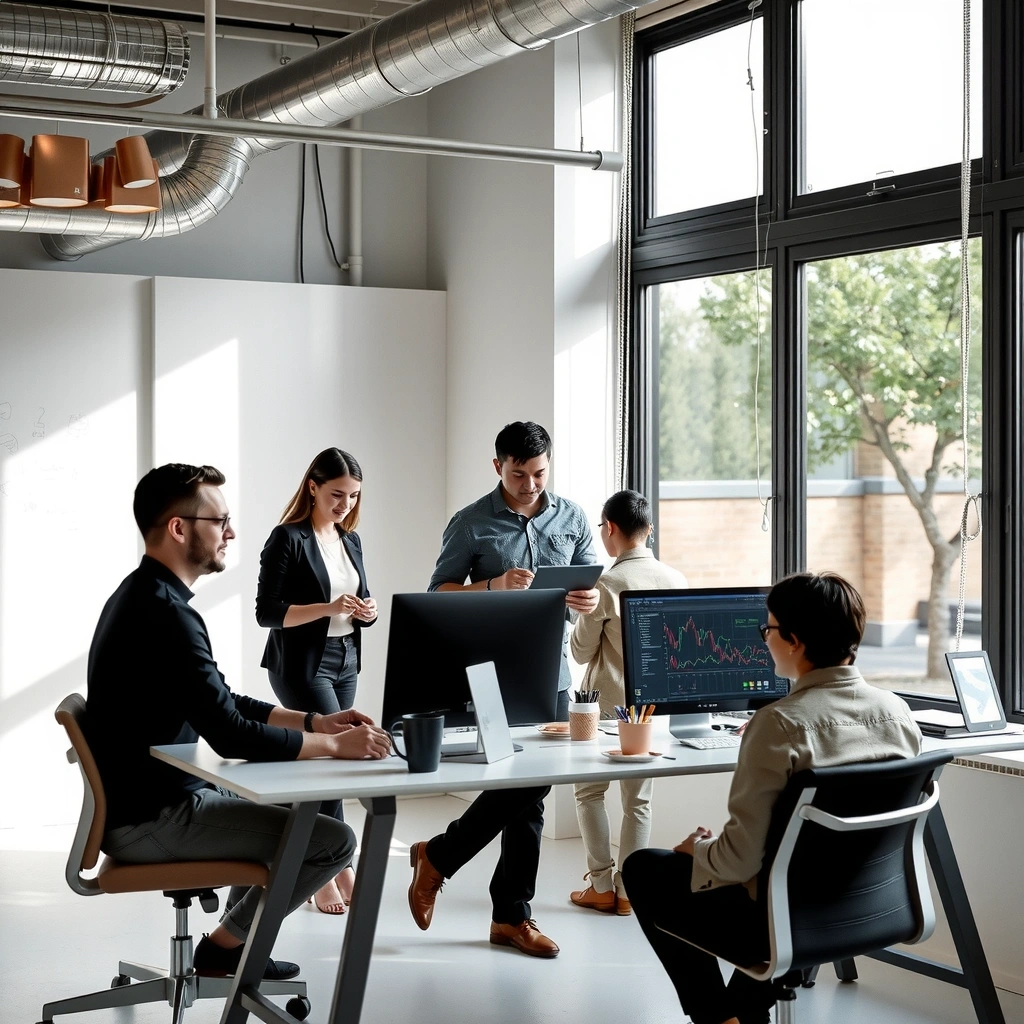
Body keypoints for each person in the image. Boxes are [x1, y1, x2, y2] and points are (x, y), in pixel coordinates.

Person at [85, 463, 391, 981]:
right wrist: (336, 749)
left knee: (287, 818)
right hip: (154, 820)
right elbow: (228, 733)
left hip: (155, 802)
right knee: (332, 842)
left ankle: (237, 943)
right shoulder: (165, 614)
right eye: (219, 520)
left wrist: (315, 721)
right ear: (180, 528)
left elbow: (222, 701)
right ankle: (225, 948)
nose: (230, 532)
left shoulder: (147, 596)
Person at [622, 572, 923, 1024]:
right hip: (875, 906)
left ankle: (717, 1016)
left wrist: (697, 852)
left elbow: (739, 864)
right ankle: (741, 1012)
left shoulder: (778, 725)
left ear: (795, 641)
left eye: (768, 630)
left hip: (786, 918)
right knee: (788, 880)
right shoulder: (898, 711)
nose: (764, 640)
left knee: (644, 868)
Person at [407, 421, 599, 959]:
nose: (531, 484)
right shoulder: (469, 523)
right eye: (519, 474)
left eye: (539, 473)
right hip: (492, 674)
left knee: (534, 791)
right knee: (524, 789)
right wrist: (492, 585)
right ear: (498, 467)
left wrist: (584, 600)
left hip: (552, 672)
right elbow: (437, 596)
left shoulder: (573, 516)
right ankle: (504, 908)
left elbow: (585, 584)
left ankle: (471, 883)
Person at [256, 448, 377, 915]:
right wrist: (330, 608)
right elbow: (268, 613)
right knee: (329, 760)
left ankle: (333, 861)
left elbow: (359, 598)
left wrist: (366, 610)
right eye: (336, 494)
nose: (345, 503)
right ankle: (329, 867)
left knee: (331, 767)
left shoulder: (351, 539)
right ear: (313, 486)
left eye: (353, 496)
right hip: (303, 664)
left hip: (346, 657)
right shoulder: (286, 538)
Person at [568, 489, 687, 917]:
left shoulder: (606, 583)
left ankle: (600, 884)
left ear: (610, 529)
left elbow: (581, 653)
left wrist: (583, 616)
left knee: (589, 793)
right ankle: (629, 893)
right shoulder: (677, 579)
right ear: (649, 530)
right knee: (638, 801)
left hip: (606, 707)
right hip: (655, 709)